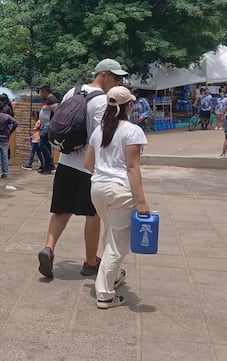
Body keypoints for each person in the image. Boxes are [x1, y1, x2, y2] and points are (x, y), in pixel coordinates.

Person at [38, 58, 127, 280]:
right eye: (116, 78)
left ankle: (48, 248)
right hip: (89, 167)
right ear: (103, 75)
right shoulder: (103, 101)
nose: (118, 82)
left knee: (61, 209)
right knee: (93, 214)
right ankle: (90, 262)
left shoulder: (73, 92)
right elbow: (100, 136)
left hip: (66, 162)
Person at [84, 86, 148, 309]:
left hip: (97, 189)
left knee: (111, 233)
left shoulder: (99, 130)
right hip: (120, 191)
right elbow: (132, 168)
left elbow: (88, 164)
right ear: (128, 106)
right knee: (118, 244)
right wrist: (141, 202)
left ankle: (112, 276)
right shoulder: (133, 131)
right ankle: (105, 293)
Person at [38, 85, 59, 174]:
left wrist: (52, 125)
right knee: (45, 145)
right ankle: (47, 165)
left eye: (41, 92)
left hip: (49, 126)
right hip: (45, 125)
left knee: (42, 145)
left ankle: (49, 165)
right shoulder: (47, 100)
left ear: (45, 91)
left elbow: (56, 113)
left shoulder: (52, 100)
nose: (40, 94)